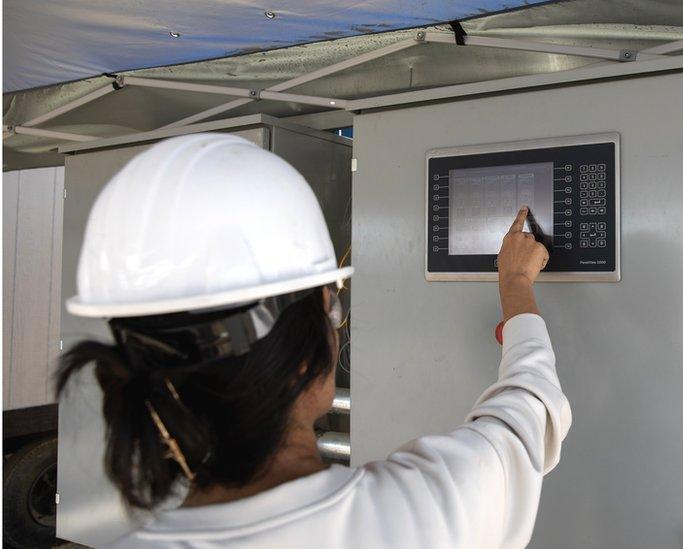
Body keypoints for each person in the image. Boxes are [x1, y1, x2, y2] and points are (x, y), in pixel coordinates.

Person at [56, 133, 571, 548]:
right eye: (333, 308)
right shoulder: (426, 513)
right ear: (302, 354)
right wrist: (515, 285)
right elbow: (529, 406)